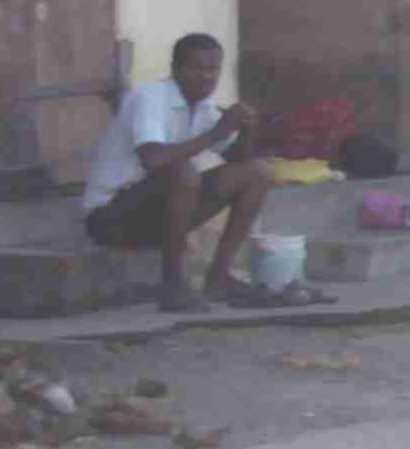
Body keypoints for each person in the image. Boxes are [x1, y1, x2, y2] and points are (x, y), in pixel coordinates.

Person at [86, 30, 285, 312]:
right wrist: (218, 131)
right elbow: (153, 159)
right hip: (109, 218)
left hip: (157, 218)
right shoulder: (149, 97)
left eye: (213, 69)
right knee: (182, 171)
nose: (206, 77)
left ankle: (219, 278)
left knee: (257, 172)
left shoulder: (205, 109)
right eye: (196, 68)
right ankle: (172, 287)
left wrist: (246, 130)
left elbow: (239, 161)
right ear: (175, 70)